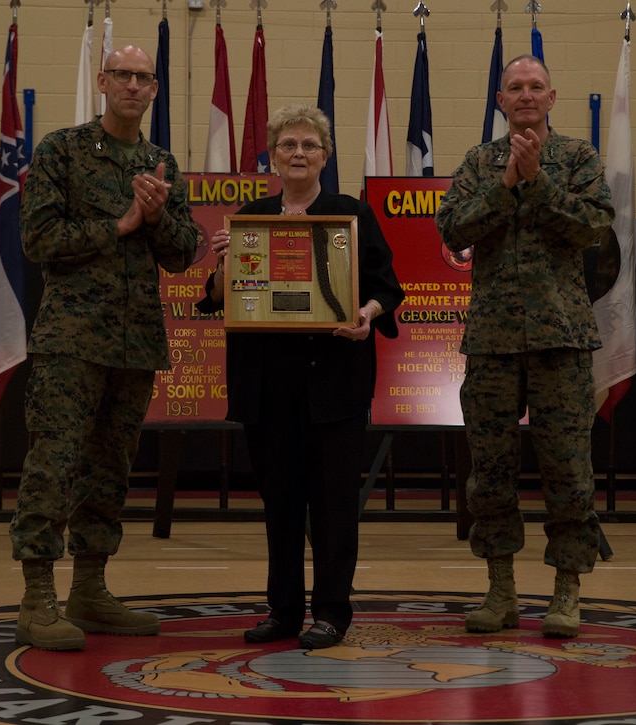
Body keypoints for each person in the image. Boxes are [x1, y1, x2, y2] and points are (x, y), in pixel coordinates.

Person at [10, 44, 200, 650]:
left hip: (135, 342)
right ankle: (36, 600)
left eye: (145, 79)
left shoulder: (160, 162)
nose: (134, 86)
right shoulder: (61, 151)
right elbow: (38, 240)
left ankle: (89, 591)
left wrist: (157, 217)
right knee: (54, 465)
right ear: (102, 81)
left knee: (109, 472)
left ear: (154, 90)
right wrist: (117, 224)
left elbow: (183, 254)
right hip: (71, 339)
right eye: (123, 75)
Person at [198, 104, 403, 650]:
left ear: (325, 157)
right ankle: (283, 611)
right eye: (287, 144)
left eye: (309, 146)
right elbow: (219, 301)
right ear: (272, 155)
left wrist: (367, 316)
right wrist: (221, 265)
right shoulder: (251, 216)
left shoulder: (352, 214)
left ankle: (332, 612)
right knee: (281, 506)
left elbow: (389, 288)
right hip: (267, 388)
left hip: (335, 384)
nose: (298, 154)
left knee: (334, 508)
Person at [435, 55, 612, 638]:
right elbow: (453, 230)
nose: (527, 95)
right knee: (491, 473)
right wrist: (507, 183)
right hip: (492, 341)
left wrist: (537, 182)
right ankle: (501, 590)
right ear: (501, 100)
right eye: (516, 88)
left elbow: (592, 227)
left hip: (561, 339)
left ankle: (566, 592)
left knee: (568, 471)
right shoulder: (480, 162)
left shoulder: (578, 158)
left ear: (552, 97)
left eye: (536, 87)